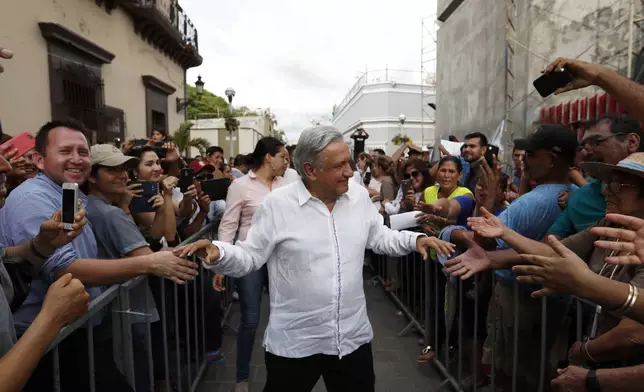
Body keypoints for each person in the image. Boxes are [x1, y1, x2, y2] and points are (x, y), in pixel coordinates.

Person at [174, 125, 455, 392]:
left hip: (351, 339)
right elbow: (250, 255)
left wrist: (415, 239)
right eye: (339, 166)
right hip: (296, 343)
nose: (349, 172)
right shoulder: (277, 205)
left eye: (349, 163)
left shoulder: (358, 197)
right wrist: (218, 252)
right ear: (310, 170)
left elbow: (378, 236)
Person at [216, 137, 288, 392]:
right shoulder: (240, 185)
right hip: (250, 260)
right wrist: (222, 262)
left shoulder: (287, 184)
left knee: (283, 317)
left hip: (282, 260)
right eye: (283, 157)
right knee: (250, 319)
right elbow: (228, 225)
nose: (286, 162)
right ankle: (242, 378)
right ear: (269, 157)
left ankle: (282, 375)